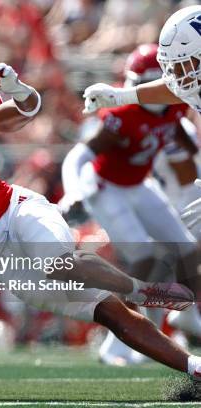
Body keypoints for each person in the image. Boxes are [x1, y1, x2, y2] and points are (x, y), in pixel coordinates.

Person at [0, 41, 201, 384]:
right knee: (107, 312)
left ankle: (140, 290)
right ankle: (195, 367)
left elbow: (27, 109)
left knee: (57, 261)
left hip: (16, 211)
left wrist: (17, 89)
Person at [61, 44, 201, 366]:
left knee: (187, 248)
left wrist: (188, 148)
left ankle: (187, 315)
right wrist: (73, 192)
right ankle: (118, 340)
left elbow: (178, 131)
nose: (132, 89)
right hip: (107, 188)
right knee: (145, 257)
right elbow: (80, 155)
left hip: (139, 184)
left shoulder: (176, 104)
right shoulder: (121, 115)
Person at [82, 5, 201, 231]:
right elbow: (172, 88)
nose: (175, 73)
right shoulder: (190, 83)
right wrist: (119, 97)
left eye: (182, 63)